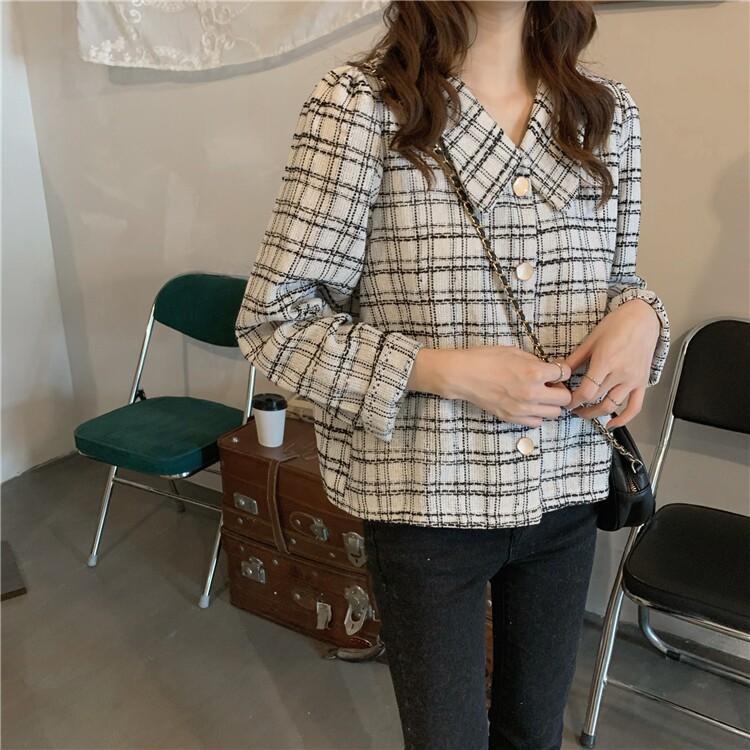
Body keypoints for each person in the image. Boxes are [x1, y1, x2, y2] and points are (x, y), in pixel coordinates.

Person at [235, 1, 670, 748]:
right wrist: (447, 372)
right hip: (425, 501)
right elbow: (274, 324)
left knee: (535, 735)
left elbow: (617, 282)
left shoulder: (604, 115)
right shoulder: (360, 107)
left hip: (564, 492)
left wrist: (644, 316)